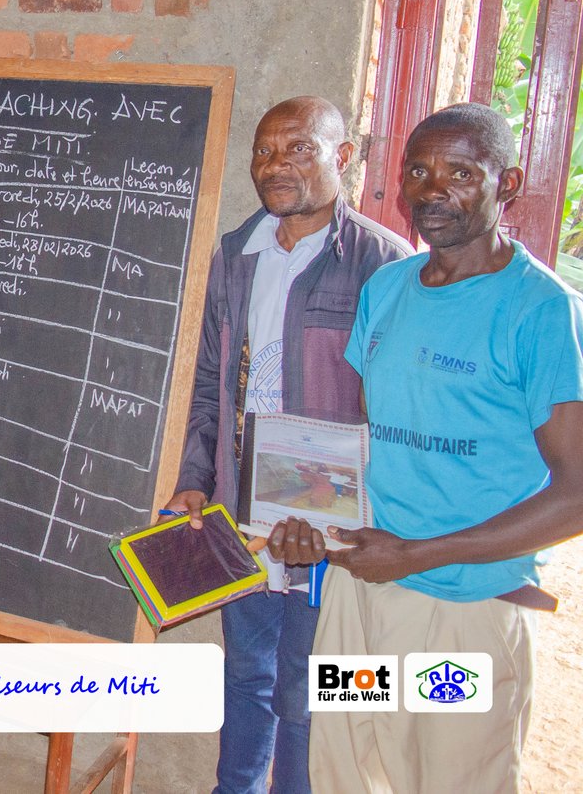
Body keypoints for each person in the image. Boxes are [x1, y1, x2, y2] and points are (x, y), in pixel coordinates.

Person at [272, 103, 583, 793]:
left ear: (509, 184)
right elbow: (364, 442)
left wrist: (418, 555)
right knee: (345, 772)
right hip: (361, 597)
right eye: (418, 170)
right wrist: (310, 524)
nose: (433, 189)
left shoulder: (540, 311)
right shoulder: (387, 288)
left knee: (448, 779)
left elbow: (576, 495)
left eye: (461, 172)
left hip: (461, 614)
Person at [167, 96, 410, 794]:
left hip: (326, 532)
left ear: (346, 156)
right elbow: (211, 378)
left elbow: (389, 411)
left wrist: (350, 518)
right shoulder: (235, 256)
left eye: (300, 149)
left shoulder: (382, 267)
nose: (277, 166)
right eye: (266, 152)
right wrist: (195, 478)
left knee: (312, 690)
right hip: (245, 519)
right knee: (247, 674)